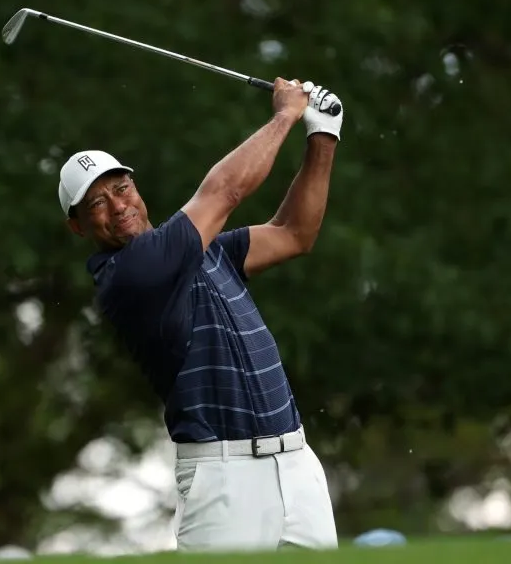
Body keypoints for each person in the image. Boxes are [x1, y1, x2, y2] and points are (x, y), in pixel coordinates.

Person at [57, 77, 343, 552]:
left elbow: (295, 233)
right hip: (224, 478)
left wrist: (323, 136)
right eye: (96, 204)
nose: (118, 205)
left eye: (122, 188)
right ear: (77, 226)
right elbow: (225, 191)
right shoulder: (130, 273)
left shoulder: (201, 251)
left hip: (297, 462)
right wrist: (285, 116)